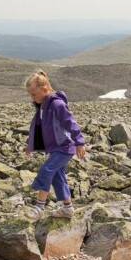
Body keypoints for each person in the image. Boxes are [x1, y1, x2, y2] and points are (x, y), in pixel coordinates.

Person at [24, 70, 87, 220]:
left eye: (34, 94)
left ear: (45, 89)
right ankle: (67, 208)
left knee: (46, 170)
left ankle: (39, 207)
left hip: (65, 147)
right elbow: (37, 127)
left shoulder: (57, 104)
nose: (32, 98)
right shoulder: (42, 106)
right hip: (56, 148)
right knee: (58, 176)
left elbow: (70, 122)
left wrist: (79, 142)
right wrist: (30, 144)